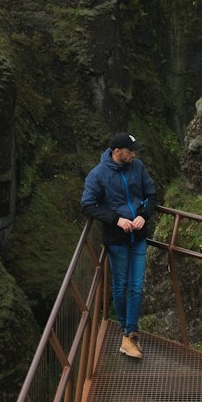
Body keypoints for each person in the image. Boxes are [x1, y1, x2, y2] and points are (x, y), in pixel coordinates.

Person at [81, 132, 157, 359]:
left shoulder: (138, 167)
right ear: (117, 151)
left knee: (136, 285)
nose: (134, 154)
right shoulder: (98, 174)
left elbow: (151, 195)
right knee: (121, 284)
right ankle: (126, 329)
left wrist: (144, 214)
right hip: (116, 239)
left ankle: (130, 333)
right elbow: (86, 205)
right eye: (130, 150)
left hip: (139, 236)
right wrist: (116, 219)